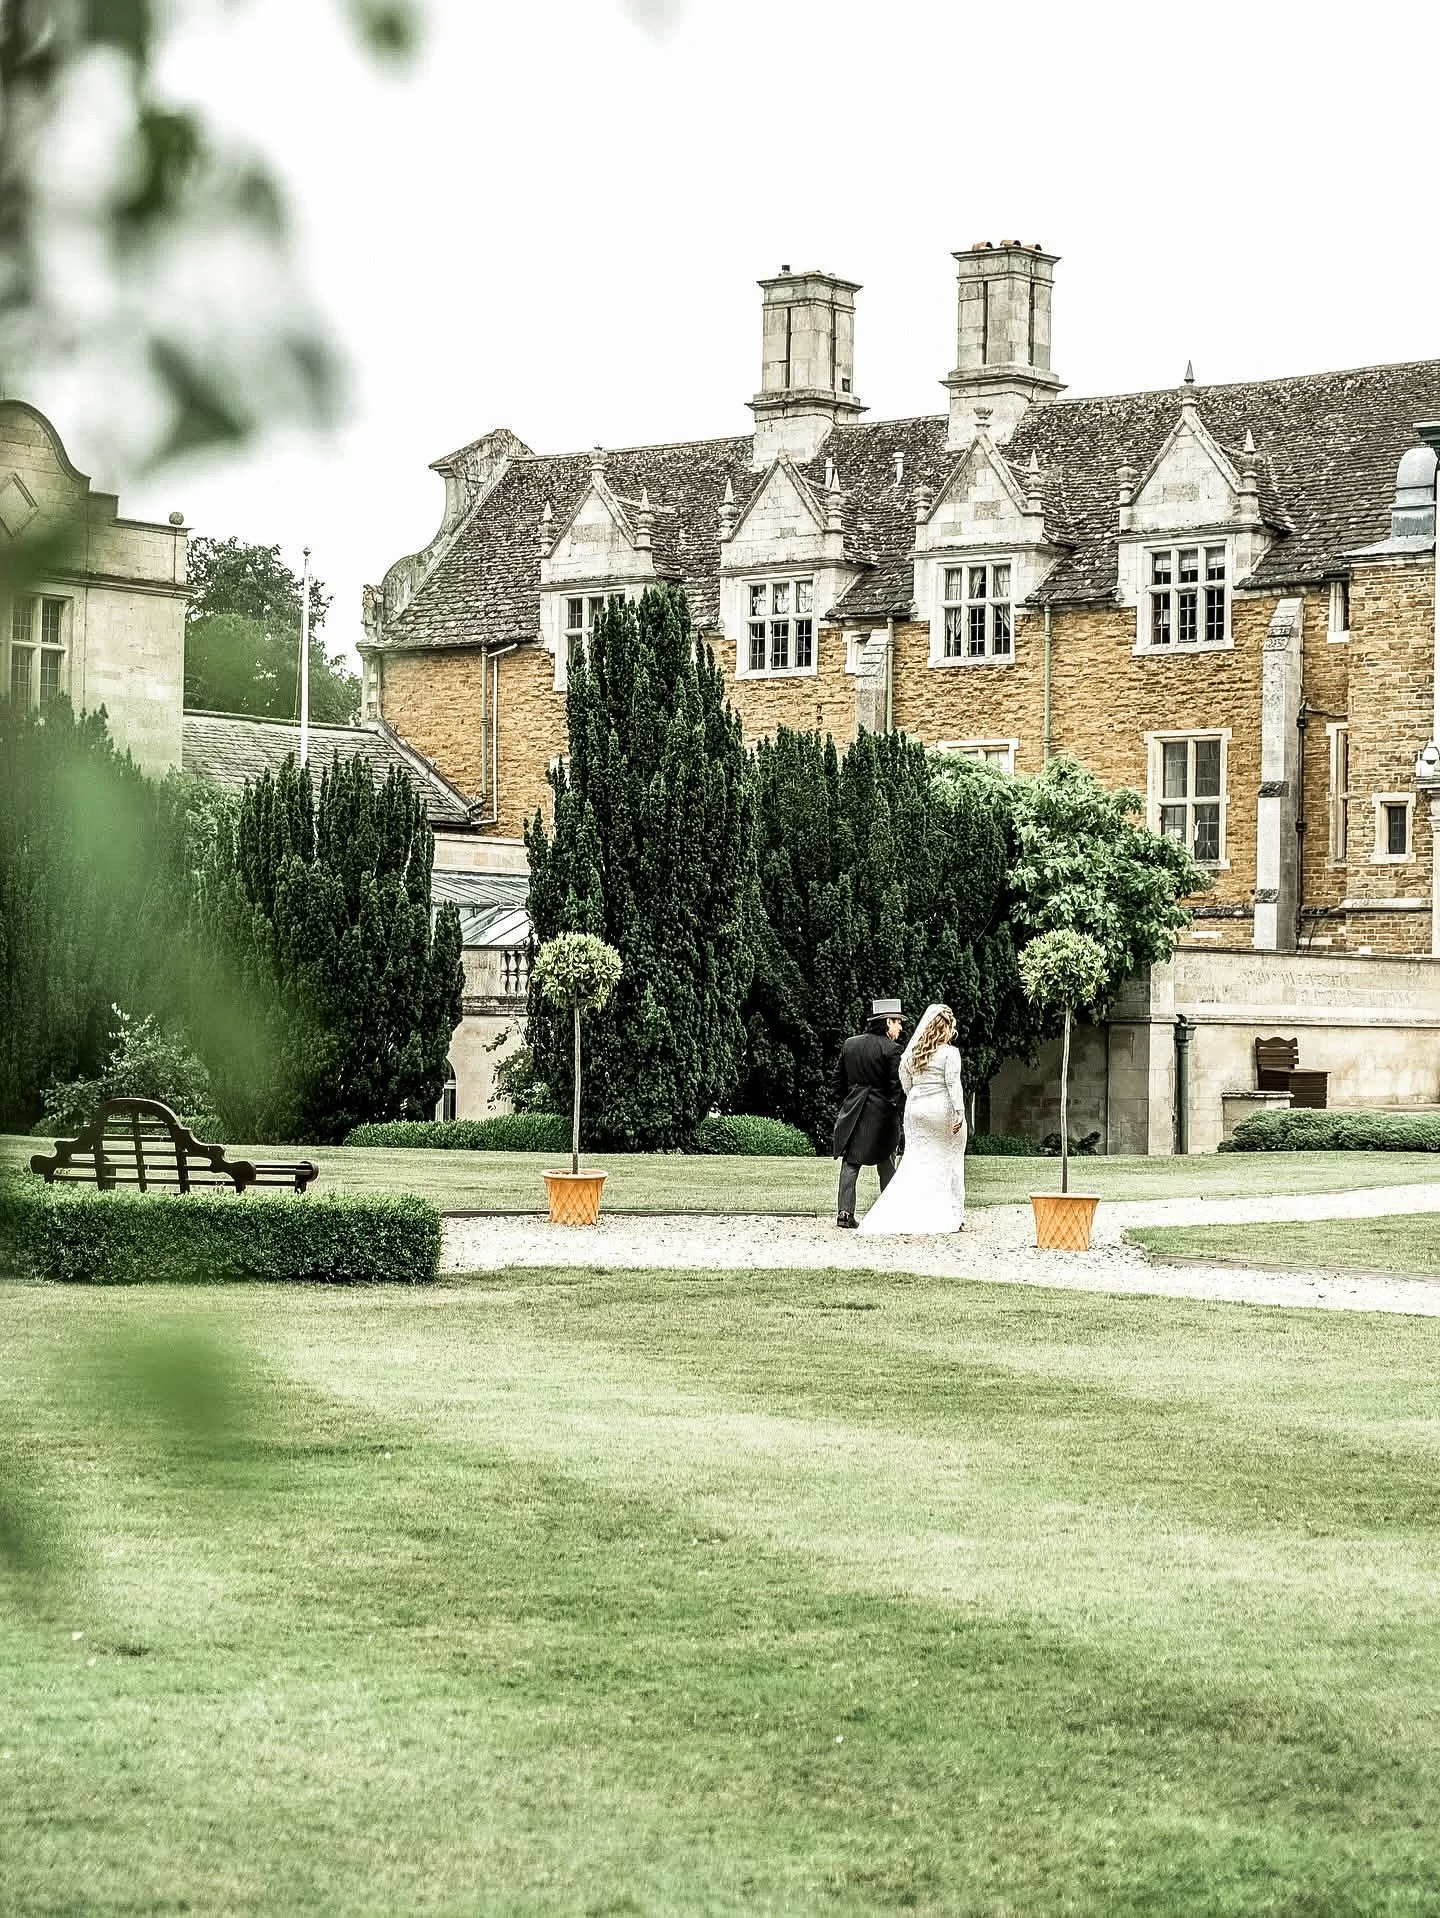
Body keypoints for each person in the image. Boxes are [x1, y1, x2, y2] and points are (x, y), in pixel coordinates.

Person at [858, 1002, 967, 1235]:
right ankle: (953, 1212)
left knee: (915, 1159)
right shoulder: (950, 1053)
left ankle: (906, 1208)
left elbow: (904, 1077)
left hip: (917, 1110)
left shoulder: (913, 1053)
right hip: (940, 1108)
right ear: (945, 1029)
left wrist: (915, 1095)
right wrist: (959, 1111)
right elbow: (952, 1085)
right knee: (949, 1159)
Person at [832, 998, 906, 1230]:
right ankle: (891, 1211)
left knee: (851, 1162)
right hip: (882, 1113)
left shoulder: (850, 1044)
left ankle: (844, 1212)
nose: (901, 1028)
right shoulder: (892, 1049)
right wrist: (898, 1111)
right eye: (898, 1022)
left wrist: (848, 1101)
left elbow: (837, 1081)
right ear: (887, 1022)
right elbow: (897, 1087)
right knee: (886, 1162)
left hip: (854, 1110)